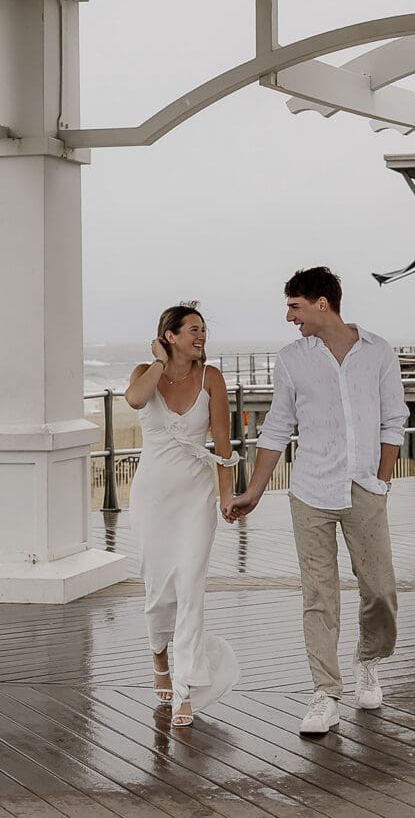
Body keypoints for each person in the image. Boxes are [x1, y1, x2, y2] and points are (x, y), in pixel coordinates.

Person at [227, 267, 409, 735]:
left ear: (321, 303)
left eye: (295, 306)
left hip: (364, 488)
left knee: (380, 589)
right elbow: (275, 428)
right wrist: (254, 489)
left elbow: (394, 422)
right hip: (309, 491)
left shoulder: (379, 352)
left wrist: (380, 481)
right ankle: (325, 692)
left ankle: (369, 659)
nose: (289, 317)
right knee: (319, 596)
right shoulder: (292, 360)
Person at [125, 304, 240, 727]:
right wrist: (158, 361)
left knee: (190, 587)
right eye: (193, 329)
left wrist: (227, 496)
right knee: (159, 589)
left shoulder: (212, 378)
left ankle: (185, 687)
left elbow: (224, 447)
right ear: (169, 335)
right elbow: (135, 399)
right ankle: (159, 654)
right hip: (153, 498)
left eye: (204, 330)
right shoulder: (144, 372)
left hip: (196, 498)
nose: (202, 336)